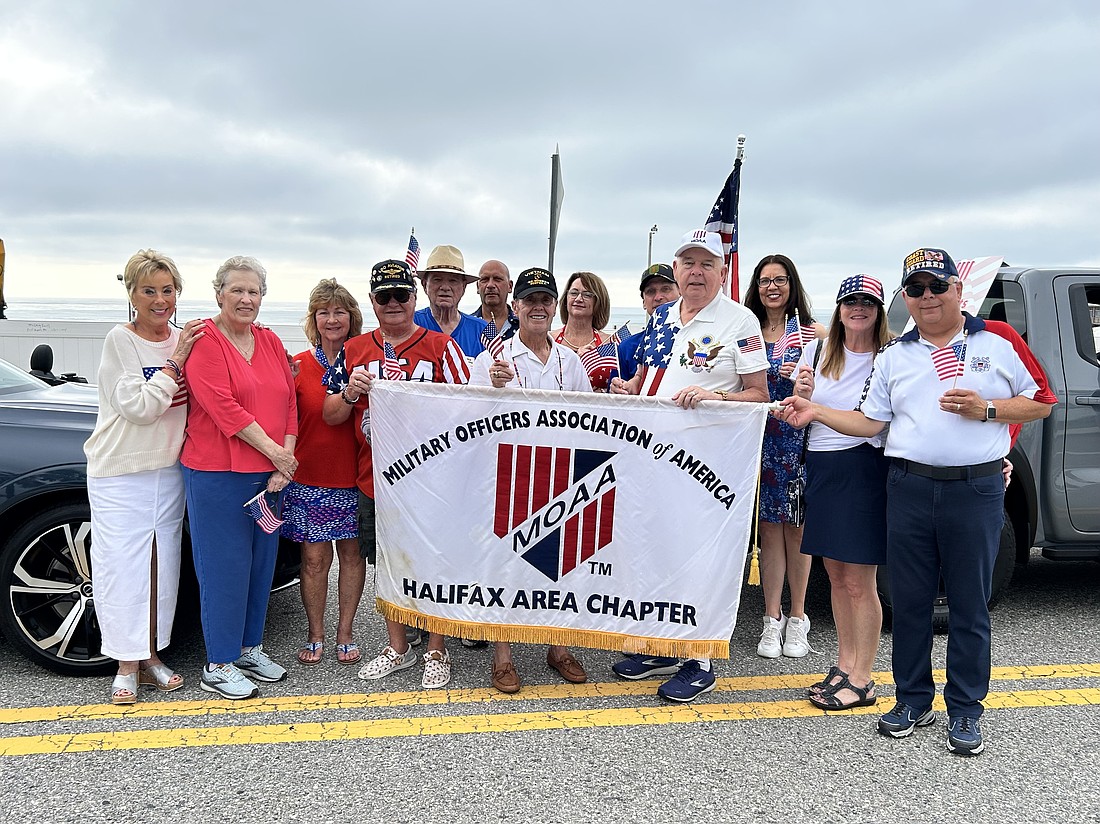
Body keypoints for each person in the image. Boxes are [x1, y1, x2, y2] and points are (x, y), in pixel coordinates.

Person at [780, 247, 1052, 756]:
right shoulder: (897, 354)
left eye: (936, 286)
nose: (927, 296)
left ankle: (967, 710)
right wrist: (813, 411)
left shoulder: (997, 339)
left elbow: (1040, 400)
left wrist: (988, 408)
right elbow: (870, 423)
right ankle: (912, 701)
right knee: (909, 602)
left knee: (969, 604)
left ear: (956, 290)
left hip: (973, 487)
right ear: (907, 297)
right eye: (917, 288)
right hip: (907, 486)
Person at [609, 229, 769, 702]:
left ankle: (700, 658)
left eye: (706, 264)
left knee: (697, 553)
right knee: (655, 547)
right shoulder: (662, 317)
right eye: (687, 263)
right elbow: (649, 381)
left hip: (706, 464)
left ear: (722, 272)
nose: (696, 272)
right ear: (675, 269)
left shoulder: (740, 322)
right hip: (651, 456)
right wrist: (630, 394)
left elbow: (760, 394)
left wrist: (714, 396)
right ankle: (661, 644)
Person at [323, 259, 471, 690]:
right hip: (376, 479)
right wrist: (351, 391)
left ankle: (437, 649)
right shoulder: (354, 351)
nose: (392, 303)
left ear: (414, 298)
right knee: (387, 565)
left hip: (430, 479)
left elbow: (471, 406)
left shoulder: (443, 347)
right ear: (372, 301)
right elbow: (330, 414)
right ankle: (398, 647)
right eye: (383, 296)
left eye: (401, 295)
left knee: (432, 562)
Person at [84, 249, 205, 703]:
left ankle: (152, 654)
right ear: (131, 294)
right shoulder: (121, 340)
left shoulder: (184, 337)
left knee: (161, 566)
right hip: (121, 473)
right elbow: (141, 407)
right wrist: (175, 364)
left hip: (168, 470)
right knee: (121, 568)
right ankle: (125, 662)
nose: (160, 300)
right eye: (148, 290)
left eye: (167, 290)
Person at [469, 267, 592, 693]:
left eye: (545, 300)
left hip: (560, 474)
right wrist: (491, 390)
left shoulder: (570, 361)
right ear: (515, 306)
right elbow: (469, 424)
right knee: (504, 567)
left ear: (553, 307)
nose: (538, 307)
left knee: (559, 564)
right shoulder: (492, 360)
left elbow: (589, 421)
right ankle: (503, 657)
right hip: (509, 475)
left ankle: (558, 647)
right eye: (530, 300)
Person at [181, 255, 299, 700]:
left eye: (254, 291)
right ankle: (219, 661)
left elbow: (289, 400)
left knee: (260, 566)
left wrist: (283, 457)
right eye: (237, 290)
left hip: (271, 477)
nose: (246, 299)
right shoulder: (205, 341)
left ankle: (250, 648)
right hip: (218, 473)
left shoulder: (268, 341)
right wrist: (275, 453)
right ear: (219, 294)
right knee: (223, 568)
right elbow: (223, 406)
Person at [790, 275, 892, 710]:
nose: (859, 309)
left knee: (859, 580)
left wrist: (817, 409)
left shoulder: (890, 355)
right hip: (823, 464)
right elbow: (800, 400)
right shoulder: (817, 349)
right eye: (851, 301)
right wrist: (800, 394)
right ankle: (844, 664)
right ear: (839, 307)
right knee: (834, 572)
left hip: (864, 464)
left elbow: (875, 420)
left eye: (868, 302)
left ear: (880, 309)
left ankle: (864, 677)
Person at [743, 254, 826, 660]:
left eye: (779, 280)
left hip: (798, 441)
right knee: (768, 532)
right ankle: (770, 618)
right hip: (758, 442)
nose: (771, 287)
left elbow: (831, 386)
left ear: (792, 284)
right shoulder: (747, 331)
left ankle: (798, 617)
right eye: (763, 281)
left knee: (796, 530)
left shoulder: (814, 334)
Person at [285, 279, 365, 667]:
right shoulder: (297, 365)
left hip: (356, 478)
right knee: (314, 562)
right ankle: (315, 634)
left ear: (352, 317)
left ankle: (345, 633)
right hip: (310, 478)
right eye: (323, 312)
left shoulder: (366, 362)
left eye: (339, 311)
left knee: (352, 557)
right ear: (313, 319)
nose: (332, 319)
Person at [413, 244, 488, 359]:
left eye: (453, 281)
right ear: (424, 285)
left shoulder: (482, 329)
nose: (445, 287)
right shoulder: (410, 324)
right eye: (437, 280)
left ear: (463, 287)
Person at [615, 263, 680, 382]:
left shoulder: (695, 339)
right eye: (650, 292)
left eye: (665, 289)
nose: (658, 297)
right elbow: (614, 397)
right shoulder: (627, 348)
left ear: (680, 293)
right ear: (644, 303)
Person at [553, 271, 615, 391]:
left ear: (598, 301)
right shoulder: (549, 340)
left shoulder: (610, 342)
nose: (579, 299)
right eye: (574, 293)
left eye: (587, 295)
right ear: (566, 299)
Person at [474, 259, 516, 329]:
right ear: (478, 287)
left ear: (510, 286)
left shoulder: (524, 326)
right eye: (485, 279)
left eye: (497, 279)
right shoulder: (466, 326)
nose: (490, 285)